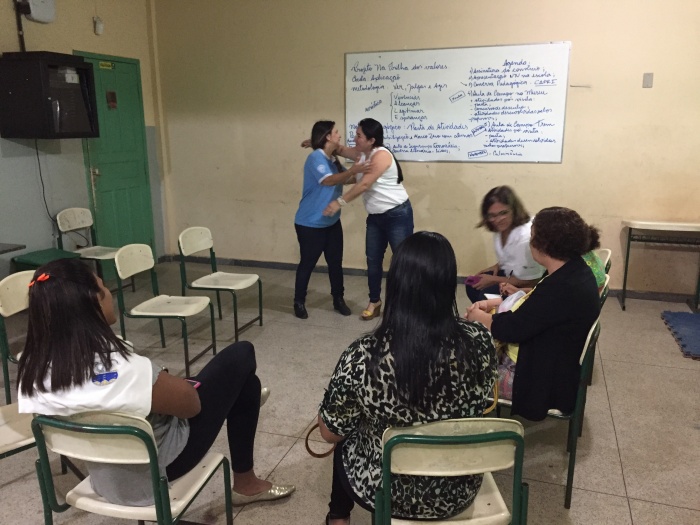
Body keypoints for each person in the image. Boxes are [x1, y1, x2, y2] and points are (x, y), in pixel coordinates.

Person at [17, 258, 295, 507]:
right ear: (92, 302)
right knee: (241, 355)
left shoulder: (31, 369)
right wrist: (161, 378)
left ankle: (240, 406)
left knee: (245, 385)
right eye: (104, 288)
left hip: (104, 475)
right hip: (156, 469)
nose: (110, 294)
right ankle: (246, 479)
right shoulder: (124, 369)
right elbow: (192, 407)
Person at [318, 232, 497, 524]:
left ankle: (338, 517)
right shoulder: (480, 340)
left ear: (396, 284)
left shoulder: (363, 355)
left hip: (387, 492)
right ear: (447, 283)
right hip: (457, 489)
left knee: (346, 431)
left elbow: (329, 434)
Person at [466, 207, 600, 421]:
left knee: (460, 367)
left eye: (532, 237)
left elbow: (511, 329)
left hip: (541, 382)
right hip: (557, 367)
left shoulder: (560, 289)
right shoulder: (575, 270)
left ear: (544, 245)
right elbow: (542, 308)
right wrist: (523, 293)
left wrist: (478, 316)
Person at [321, 118, 414, 320]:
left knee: (403, 262)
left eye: (359, 135)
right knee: (373, 261)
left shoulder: (381, 156)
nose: (355, 138)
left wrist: (339, 202)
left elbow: (364, 185)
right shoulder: (362, 154)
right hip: (375, 218)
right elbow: (340, 150)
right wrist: (316, 142)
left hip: (397, 215)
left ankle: (405, 307)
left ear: (371, 140)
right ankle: (375, 301)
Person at [293, 120, 366, 320]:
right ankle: (299, 301)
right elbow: (327, 181)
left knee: (335, 263)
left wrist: (361, 176)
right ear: (327, 136)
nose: (339, 135)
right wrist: (352, 171)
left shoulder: (332, 158)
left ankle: (338, 299)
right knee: (307, 263)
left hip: (331, 222)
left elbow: (344, 178)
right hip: (310, 223)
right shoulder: (315, 157)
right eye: (336, 132)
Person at [465, 186, 544, 304]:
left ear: (514, 210)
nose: (497, 220)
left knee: (485, 295)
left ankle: (492, 313)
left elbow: (533, 280)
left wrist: (493, 280)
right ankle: (483, 312)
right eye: (492, 215)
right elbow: (511, 254)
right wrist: (498, 265)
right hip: (512, 274)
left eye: (503, 213)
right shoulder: (502, 228)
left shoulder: (525, 239)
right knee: (472, 284)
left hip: (529, 284)